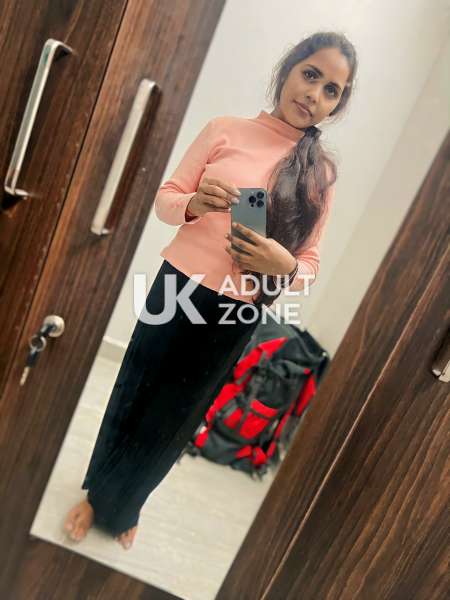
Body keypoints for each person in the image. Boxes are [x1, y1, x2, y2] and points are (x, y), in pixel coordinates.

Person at [63, 31, 358, 550]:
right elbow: (165, 199)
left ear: (337, 103)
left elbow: (310, 265)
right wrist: (195, 203)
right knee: (135, 391)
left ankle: (127, 505)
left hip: (236, 310)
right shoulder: (225, 129)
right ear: (288, 70)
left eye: (331, 89)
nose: (315, 93)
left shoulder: (322, 175)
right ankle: (96, 493)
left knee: (178, 416)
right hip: (176, 286)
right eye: (310, 74)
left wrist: (284, 264)